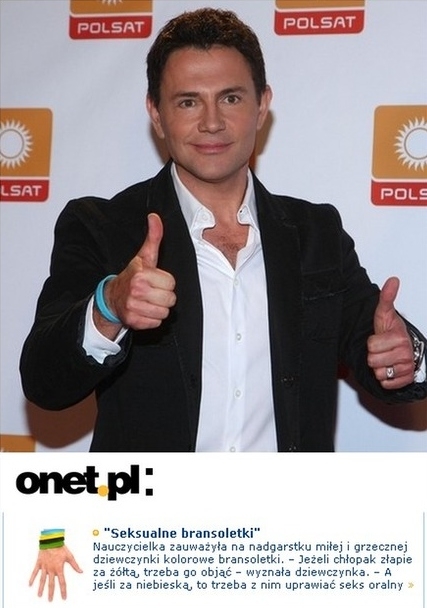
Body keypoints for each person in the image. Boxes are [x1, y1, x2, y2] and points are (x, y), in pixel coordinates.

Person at [20, 8, 426, 452]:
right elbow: (44, 382)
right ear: (156, 113)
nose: (211, 122)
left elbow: (382, 349)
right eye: (188, 102)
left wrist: (404, 356)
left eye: (230, 98)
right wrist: (109, 306)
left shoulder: (315, 234)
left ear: (262, 105)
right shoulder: (103, 227)